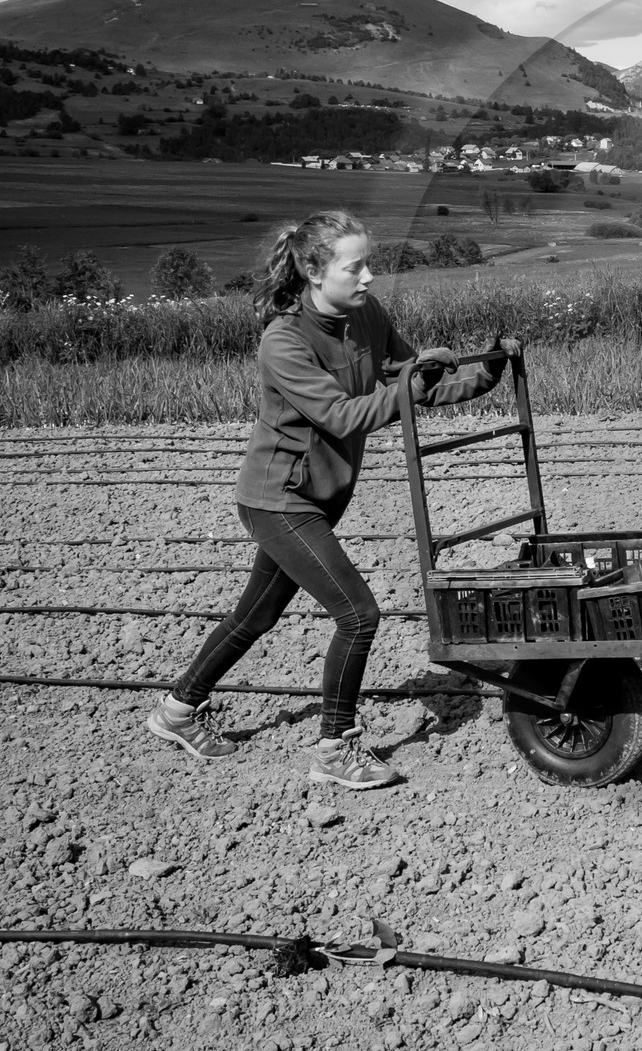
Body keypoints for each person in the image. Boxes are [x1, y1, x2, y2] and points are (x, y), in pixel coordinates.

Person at [146, 210, 516, 789]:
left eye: (369, 263)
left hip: (324, 495)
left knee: (256, 614)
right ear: (315, 272)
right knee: (359, 614)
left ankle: (177, 711)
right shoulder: (284, 341)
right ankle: (335, 748)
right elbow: (342, 413)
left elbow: (411, 380)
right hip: (280, 500)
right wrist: (410, 385)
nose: (369, 277)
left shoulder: (366, 314)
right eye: (356, 266)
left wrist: (485, 372)